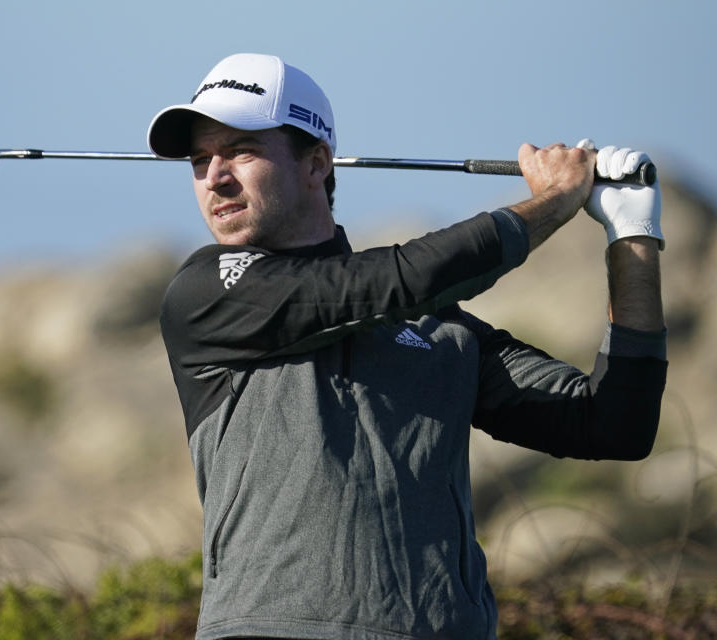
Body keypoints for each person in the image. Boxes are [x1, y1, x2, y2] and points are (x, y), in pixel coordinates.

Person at [147, 53, 666, 640]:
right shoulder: (205, 292)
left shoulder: (440, 331)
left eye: (240, 149)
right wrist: (554, 200)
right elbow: (394, 280)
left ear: (316, 163)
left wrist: (633, 239)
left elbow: (614, 424)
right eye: (198, 160)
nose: (214, 177)